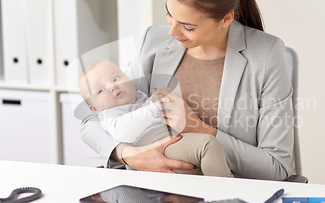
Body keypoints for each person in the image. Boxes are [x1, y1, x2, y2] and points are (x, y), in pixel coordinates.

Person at [81, 0, 294, 180]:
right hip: (156, 190)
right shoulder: (153, 41)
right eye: (170, 15)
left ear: (226, 19)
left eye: (188, 26)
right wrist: (128, 154)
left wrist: (199, 128)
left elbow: (277, 168)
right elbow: (92, 118)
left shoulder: (266, 54)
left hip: (226, 194)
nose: (172, 32)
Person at [79, 60, 233, 177]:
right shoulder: (109, 115)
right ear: (94, 109)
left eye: (116, 78)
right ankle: (228, 195)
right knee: (208, 145)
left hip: (174, 143)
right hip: (156, 147)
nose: (112, 86)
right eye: (100, 90)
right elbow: (124, 132)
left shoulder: (139, 97)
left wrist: (167, 98)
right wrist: (153, 106)